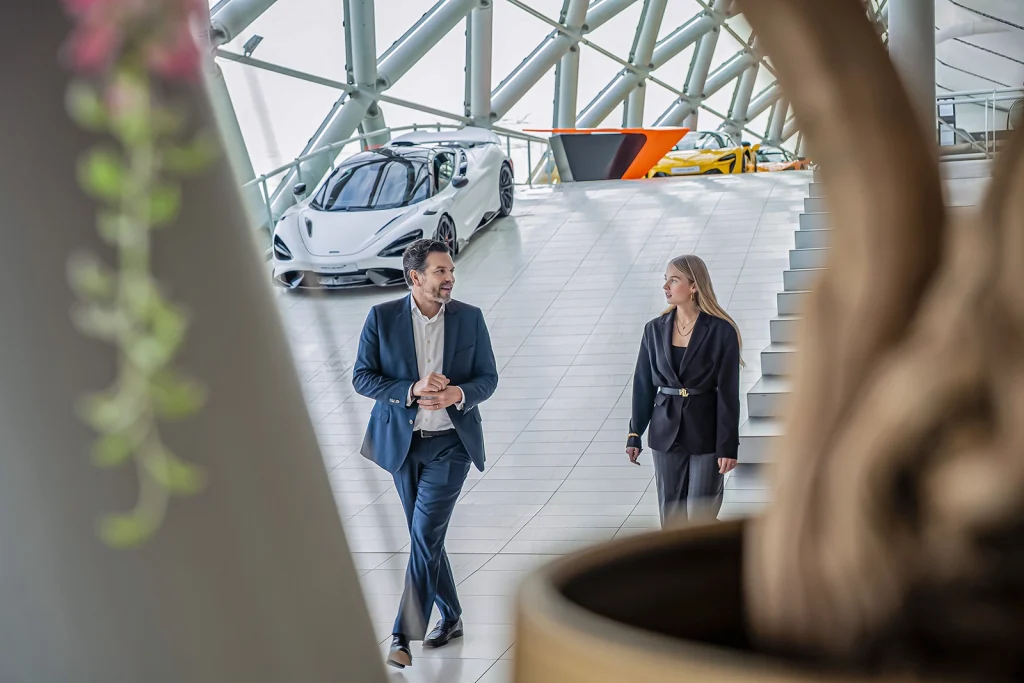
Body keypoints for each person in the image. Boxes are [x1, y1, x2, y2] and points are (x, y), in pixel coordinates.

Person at [352, 239, 498, 670]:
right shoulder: (382, 318)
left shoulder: (470, 318)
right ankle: (451, 615)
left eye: (450, 270)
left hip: (451, 445)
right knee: (426, 538)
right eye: (440, 271)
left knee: (425, 534)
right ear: (415, 277)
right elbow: (362, 377)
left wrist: (459, 393)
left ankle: (402, 634)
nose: (450, 278)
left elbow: (488, 378)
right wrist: (411, 389)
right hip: (403, 446)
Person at [626, 254, 742, 527]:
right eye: (665, 280)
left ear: (694, 286)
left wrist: (728, 446)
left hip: (707, 432)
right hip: (665, 430)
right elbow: (643, 384)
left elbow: (728, 393)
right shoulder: (653, 330)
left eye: (674, 280)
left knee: (701, 515)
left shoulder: (721, 331)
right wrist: (635, 433)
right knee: (672, 515)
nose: (666, 286)